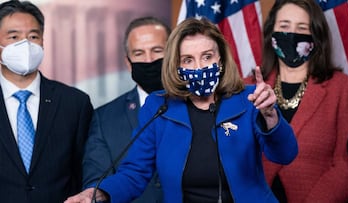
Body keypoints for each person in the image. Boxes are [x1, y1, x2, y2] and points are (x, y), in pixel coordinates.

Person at [65, 17, 298, 203]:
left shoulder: (249, 100)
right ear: (176, 65)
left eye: (207, 57)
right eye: (188, 60)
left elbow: (285, 155)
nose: (199, 67)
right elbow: (135, 172)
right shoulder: (159, 107)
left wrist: (270, 115)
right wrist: (98, 193)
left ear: (221, 60)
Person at [244, 0, 348, 202]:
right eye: (284, 26)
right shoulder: (248, 87)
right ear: (272, 32)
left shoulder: (343, 89)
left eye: (302, 28)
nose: (291, 35)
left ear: (316, 37)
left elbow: (346, 164)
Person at [0, 0, 93, 202]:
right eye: (14, 36)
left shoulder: (74, 103)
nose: (25, 44)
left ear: (43, 41)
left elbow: (85, 170)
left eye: (33, 36)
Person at [82, 16, 170, 203]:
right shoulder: (104, 118)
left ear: (173, 55)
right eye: (139, 53)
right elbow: (96, 181)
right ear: (128, 62)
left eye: (157, 50)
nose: (148, 60)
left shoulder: (198, 105)